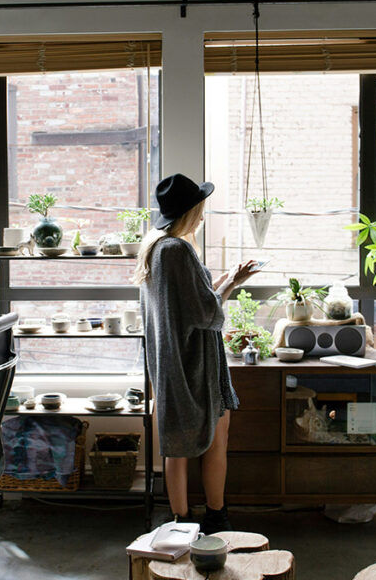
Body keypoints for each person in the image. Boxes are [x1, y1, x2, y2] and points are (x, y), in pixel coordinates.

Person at [133, 173, 259, 534]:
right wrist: (232, 285)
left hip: (171, 366)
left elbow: (189, 301)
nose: (203, 216)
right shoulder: (179, 250)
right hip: (196, 366)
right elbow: (206, 314)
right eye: (200, 209)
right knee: (216, 441)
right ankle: (216, 517)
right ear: (190, 211)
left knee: (175, 445)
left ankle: (180, 522)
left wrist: (224, 280)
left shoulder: (156, 248)